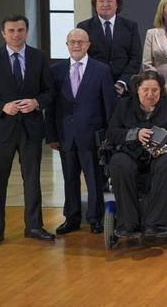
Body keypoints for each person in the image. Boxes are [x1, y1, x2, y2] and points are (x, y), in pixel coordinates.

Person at [0, 15, 56, 249]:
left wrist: (36, 102)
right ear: (3, 33)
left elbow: (50, 91)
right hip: (0, 131)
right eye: (11, 31)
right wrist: (2, 106)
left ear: (27, 31)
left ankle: (33, 227)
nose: (16, 34)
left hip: (30, 129)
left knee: (32, 180)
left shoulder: (39, 57)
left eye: (20, 30)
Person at [45, 28, 116, 236]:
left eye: (81, 42)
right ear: (67, 45)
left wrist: (108, 136)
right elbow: (51, 107)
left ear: (88, 45)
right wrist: (51, 136)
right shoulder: (55, 70)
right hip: (65, 136)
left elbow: (109, 106)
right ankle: (72, 218)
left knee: (94, 180)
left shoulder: (101, 70)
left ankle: (95, 218)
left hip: (92, 136)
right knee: (70, 179)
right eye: (72, 42)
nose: (76, 45)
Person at [106, 71, 167, 238]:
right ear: (137, 89)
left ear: (161, 90)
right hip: (131, 153)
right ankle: (128, 223)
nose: (150, 94)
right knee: (119, 163)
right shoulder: (124, 105)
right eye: (146, 89)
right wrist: (134, 134)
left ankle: (157, 223)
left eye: (155, 90)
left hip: (162, 153)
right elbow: (112, 133)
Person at [77, 0, 142, 97]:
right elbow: (82, 57)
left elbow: (136, 58)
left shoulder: (130, 26)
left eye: (110, 1)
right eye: (101, 1)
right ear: (95, 5)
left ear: (117, 5)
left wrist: (122, 82)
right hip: (94, 88)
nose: (105, 4)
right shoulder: (84, 27)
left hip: (124, 90)